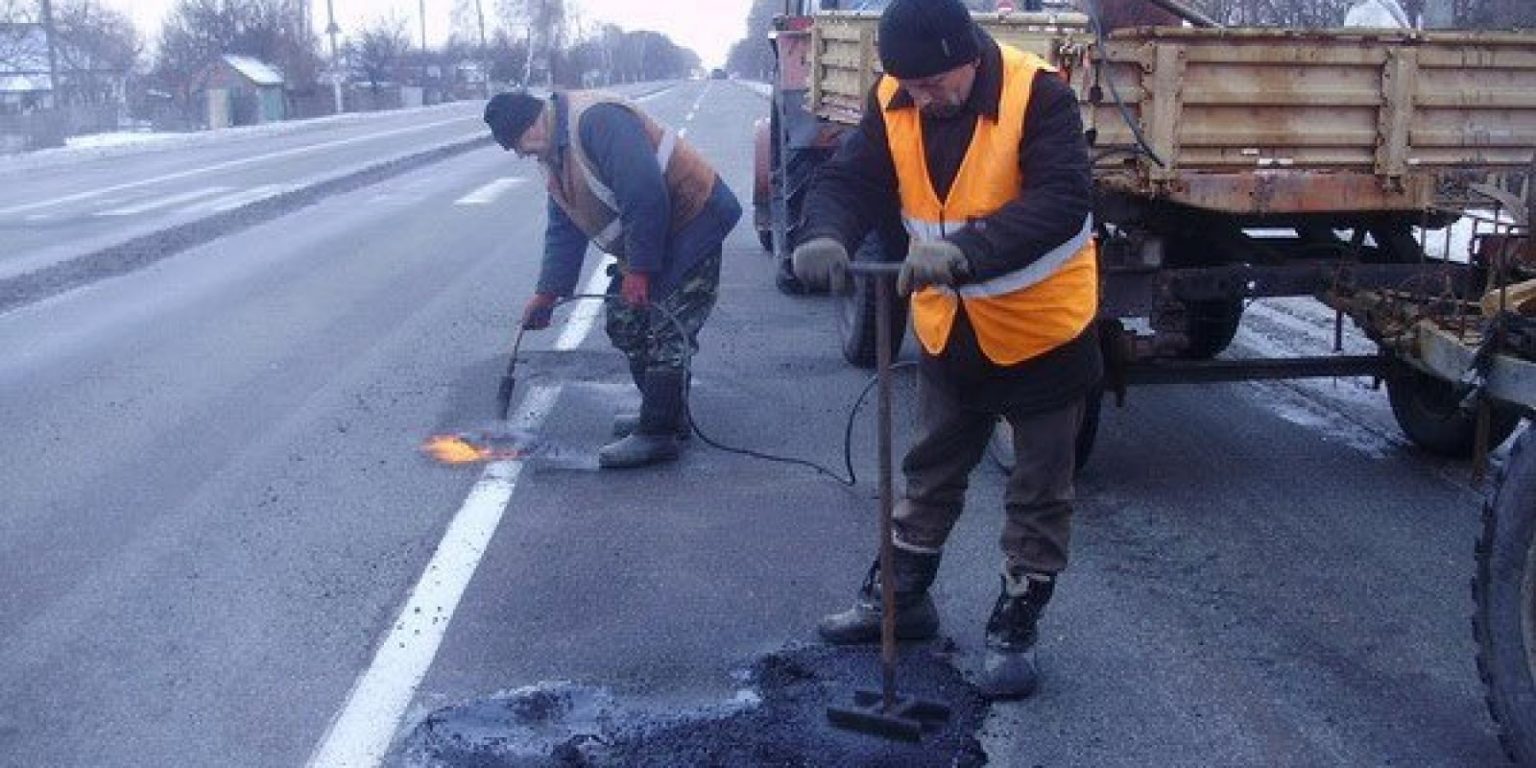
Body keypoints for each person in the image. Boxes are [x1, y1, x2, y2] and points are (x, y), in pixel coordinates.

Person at [790, 0, 1101, 698]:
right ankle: (898, 603)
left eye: (933, 83)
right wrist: (825, 231)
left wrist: (963, 253)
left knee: (1038, 489)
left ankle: (1014, 627)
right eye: (910, 85)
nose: (922, 98)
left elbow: (1062, 201)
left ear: (966, 53)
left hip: (1042, 332)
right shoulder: (896, 96)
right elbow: (853, 178)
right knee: (930, 471)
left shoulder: (1037, 95)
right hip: (951, 331)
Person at [483, 89, 741, 469]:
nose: (522, 154)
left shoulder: (596, 121)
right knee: (625, 323)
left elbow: (645, 193)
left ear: (533, 122)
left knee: (667, 329)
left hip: (693, 220)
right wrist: (548, 293)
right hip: (654, 235)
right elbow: (564, 227)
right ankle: (668, 414)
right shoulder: (554, 155)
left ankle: (658, 434)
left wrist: (640, 270)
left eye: (518, 143)